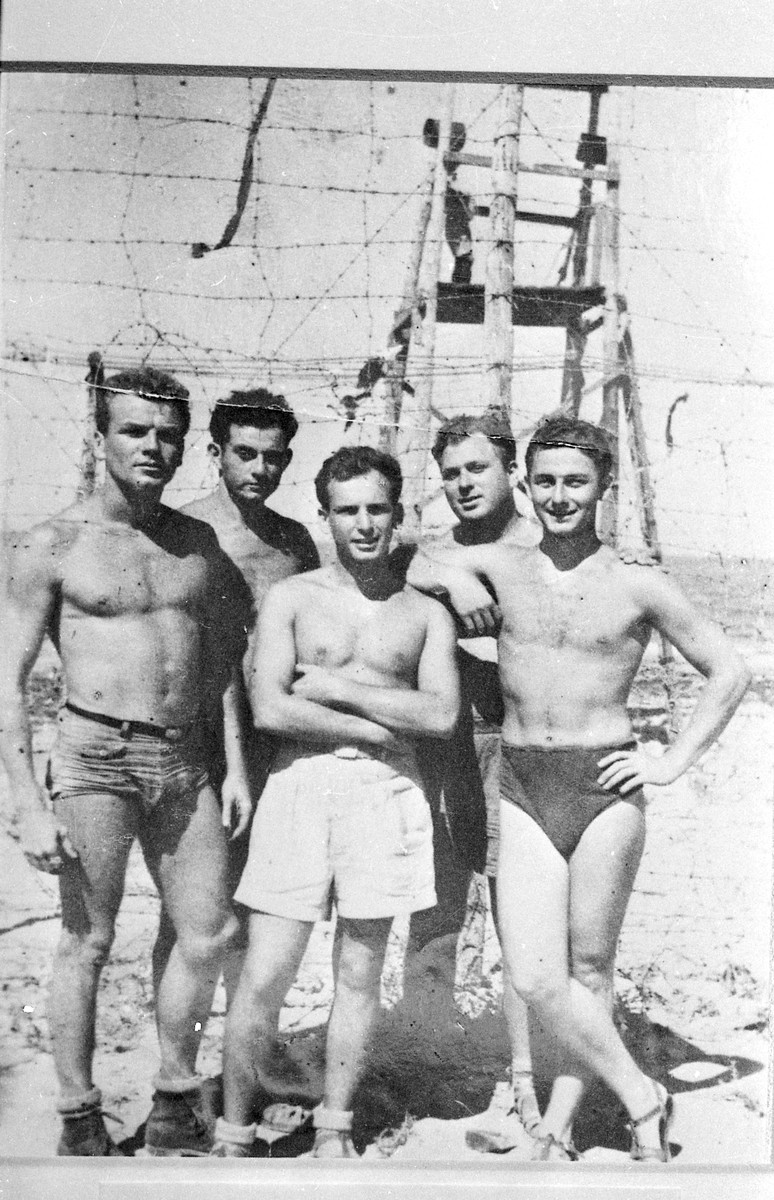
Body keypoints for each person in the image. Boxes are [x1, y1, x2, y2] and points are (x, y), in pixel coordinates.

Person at [407, 412, 750, 1161]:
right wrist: (456, 576)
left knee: (589, 969)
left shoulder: (638, 584)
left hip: (605, 788)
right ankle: (638, 1093)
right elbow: (409, 556)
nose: (561, 497)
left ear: (603, 487)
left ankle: (559, 1124)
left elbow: (731, 671)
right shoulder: (502, 564)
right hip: (524, 784)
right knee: (534, 974)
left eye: (577, 482)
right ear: (526, 486)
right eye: (548, 482)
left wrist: (668, 762)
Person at [0, 367, 253, 1157]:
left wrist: (236, 768)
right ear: (101, 436)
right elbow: (6, 682)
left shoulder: (195, 542)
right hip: (95, 756)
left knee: (206, 933)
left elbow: (221, 671)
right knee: (89, 938)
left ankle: (175, 1095)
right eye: (136, 431)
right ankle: (79, 1113)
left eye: (168, 435)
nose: (153, 447)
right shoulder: (53, 543)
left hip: (185, 761)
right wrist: (26, 802)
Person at [211, 445, 460, 1159]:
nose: (363, 524)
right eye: (346, 510)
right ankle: (233, 1132)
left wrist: (342, 691)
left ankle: (333, 1128)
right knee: (267, 970)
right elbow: (271, 711)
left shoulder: (422, 615)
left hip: (385, 795)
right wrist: (385, 721)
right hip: (300, 786)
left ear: (398, 513)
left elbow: (442, 717)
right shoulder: (293, 597)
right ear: (324, 516)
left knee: (358, 971)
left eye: (376, 508)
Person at [396, 411, 543, 1143]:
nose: (462, 484)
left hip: (517, 744)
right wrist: (451, 575)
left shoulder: (543, 542)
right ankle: (423, 1064)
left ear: (510, 471)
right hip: (442, 740)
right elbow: (410, 558)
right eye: (450, 473)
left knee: (520, 911)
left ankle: (524, 1077)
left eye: (476, 469)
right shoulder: (437, 551)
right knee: (434, 903)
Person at [156, 390, 319, 1006]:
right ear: (215, 452)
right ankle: (180, 1057)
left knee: (258, 899)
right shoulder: (185, 532)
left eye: (272, 458)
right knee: (192, 910)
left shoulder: (294, 541)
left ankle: (243, 1051)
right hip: (199, 739)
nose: (258, 470)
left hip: (272, 738)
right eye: (244, 453)